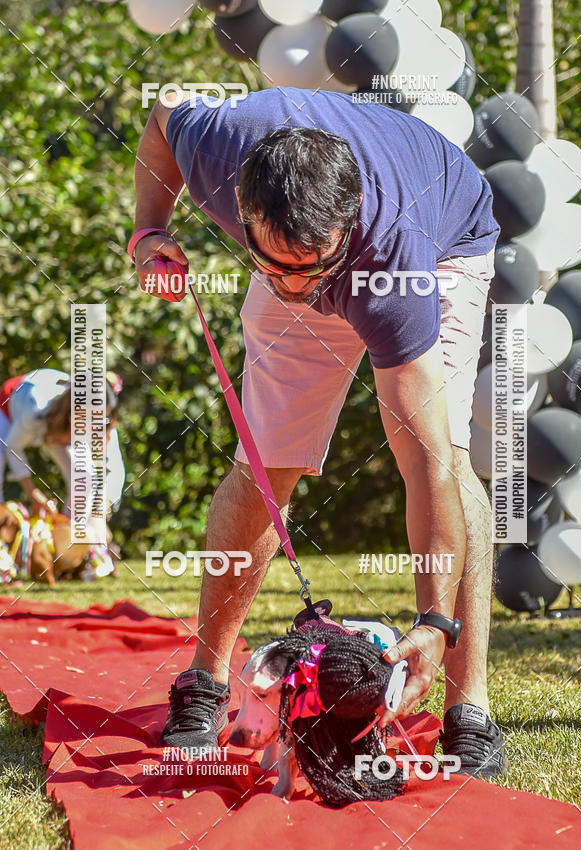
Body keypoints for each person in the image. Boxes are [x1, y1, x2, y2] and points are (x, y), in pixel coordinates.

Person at [132, 86, 505, 778]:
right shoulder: (217, 147)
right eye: (272, 261)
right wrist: (148, 227)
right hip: (330, 227)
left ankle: (470, 707)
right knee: (263, 463)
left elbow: (424, 470)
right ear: (242, 209)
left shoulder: (397, 269)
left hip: (446, 237)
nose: (292, 284)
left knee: (443, 452)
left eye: (311, 268)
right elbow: (161, 112)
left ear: (348, 224)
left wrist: (433, 620)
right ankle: (206, 682)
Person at [0, 368, 125, 550]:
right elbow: (12, 447)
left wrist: (101, 511)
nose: (94, 426)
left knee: (86, 478)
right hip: (9, 409)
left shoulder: (102, 416)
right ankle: (4, 551)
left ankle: (66, 543)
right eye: (89, 418)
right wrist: (32, 493)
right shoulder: (35, 412)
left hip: (57, 426)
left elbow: (114, 465)